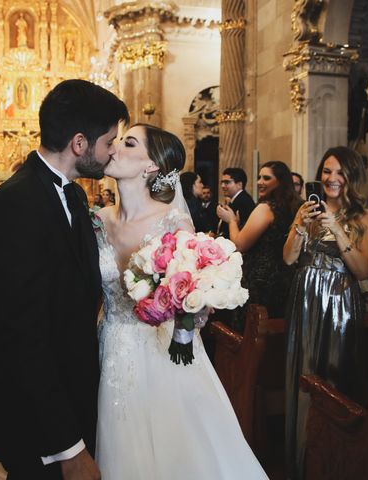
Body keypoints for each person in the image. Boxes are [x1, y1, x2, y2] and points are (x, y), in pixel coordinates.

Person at [95, 123, 267, 479]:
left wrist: (191, 317)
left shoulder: (172, 223)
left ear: (152, 166)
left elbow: (197, 297)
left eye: (128, 143)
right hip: (110, 344)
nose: (115, 148)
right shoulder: (97, 221)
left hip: (163, 352)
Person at [0, 78, 128, 480]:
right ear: (80, 143)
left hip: (70, 395)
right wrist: (70, 448)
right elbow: (23, 333)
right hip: (34, 419)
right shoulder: (17, 202)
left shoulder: (75, 195)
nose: (112, 151)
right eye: (109, 141)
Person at [282, 146, 368, 480]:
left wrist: (338, 231)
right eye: (326, 171)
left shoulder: (367, 216)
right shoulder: (307, 208)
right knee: (305, 371)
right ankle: (302, 458)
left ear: (352, 176)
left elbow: (364, 270)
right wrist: (300, 224)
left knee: (335, 374)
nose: (331, 178)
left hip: (340, 303)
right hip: (305, 299)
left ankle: (335, 463)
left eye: (339, 172)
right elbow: (289, 259)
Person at [217, 161, 301, 320]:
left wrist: (232, 221)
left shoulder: (266, 208)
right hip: (286, 277)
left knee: (253, 331)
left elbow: (239, 244)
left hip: (261, 280)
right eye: (259, 177)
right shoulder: (295, 207)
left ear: (280, 182)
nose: (259, 182)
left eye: (266, 178)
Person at [217, 168, 255, 238]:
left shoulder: (243, 201)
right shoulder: (237, 199)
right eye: (222, 182)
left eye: (227, 182)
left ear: (239, 185)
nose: (222, 186)